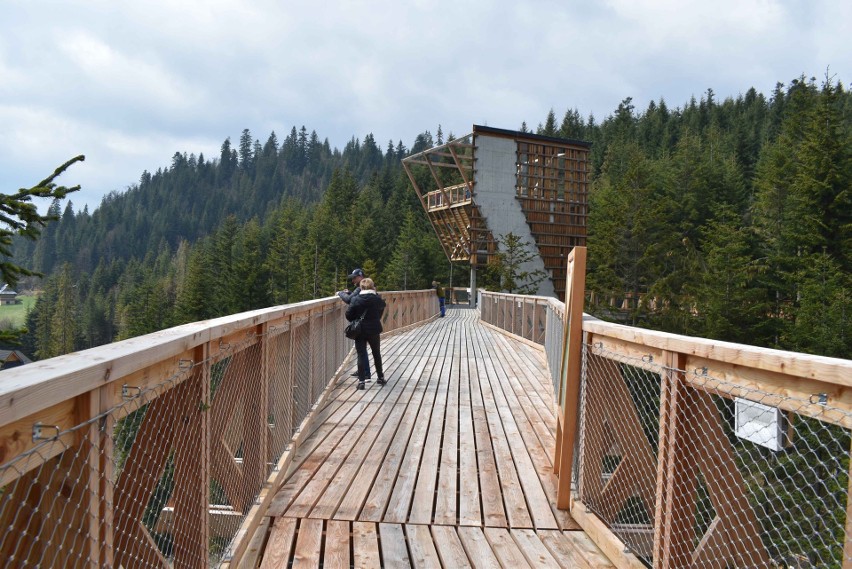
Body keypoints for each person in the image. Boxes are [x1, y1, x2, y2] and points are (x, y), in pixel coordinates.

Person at [345, 278, 386, 390]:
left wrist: (357, 319)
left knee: (361, 355)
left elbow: (348, 315)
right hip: (374, 329)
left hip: (360, 330)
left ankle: (362, 381)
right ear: (372, 286)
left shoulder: (356, 299)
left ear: (361, 287)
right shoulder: (377, 298)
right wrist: (375, 318)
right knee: (376, 353)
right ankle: (380, 377)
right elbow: (382, 308)